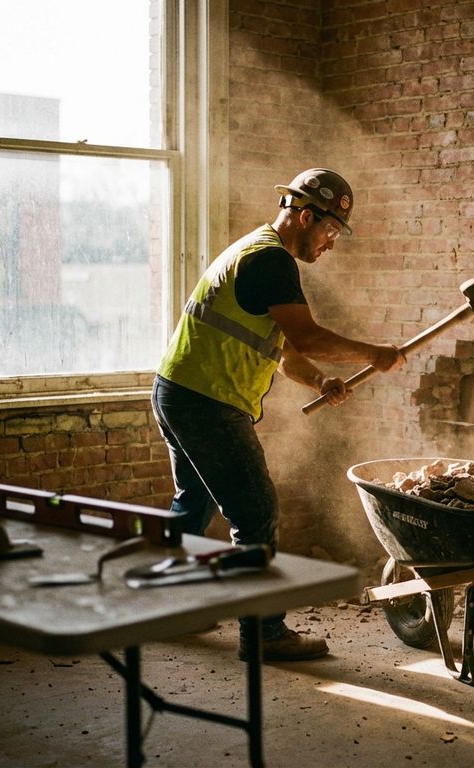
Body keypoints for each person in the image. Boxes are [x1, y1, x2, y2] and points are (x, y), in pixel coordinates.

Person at [151, 168, 405, 662]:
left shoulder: (256, 249)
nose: (331, 244)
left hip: (179, 390)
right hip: (208, 402)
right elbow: (308, 337)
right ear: (307, 216)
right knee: (256, 511)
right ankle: (263, 633)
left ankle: (166, 607)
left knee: (193, 504)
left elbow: (286, 349)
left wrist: (320, 382)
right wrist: (373, 353)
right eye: (330, 231)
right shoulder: (271, 260)